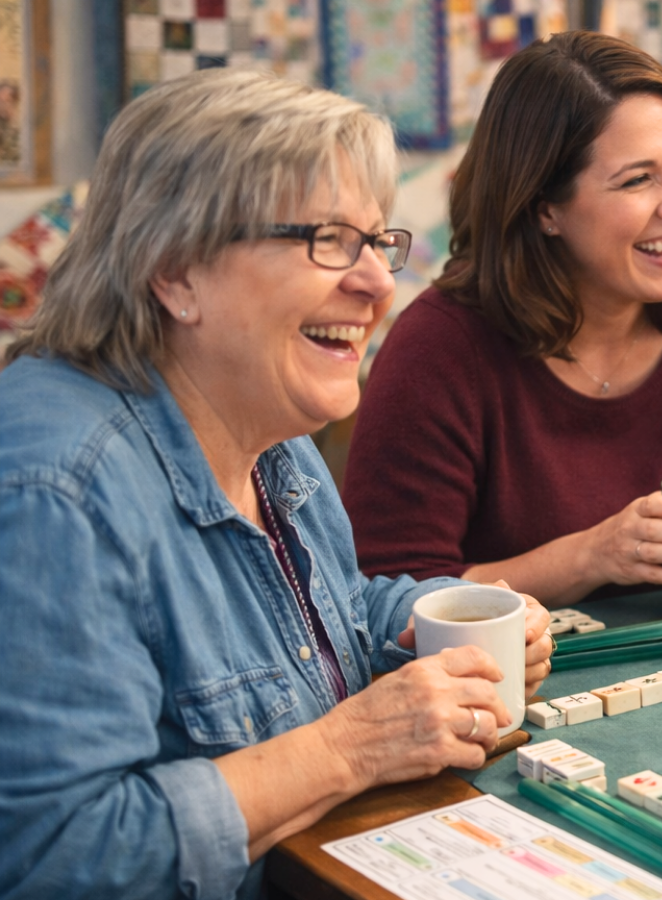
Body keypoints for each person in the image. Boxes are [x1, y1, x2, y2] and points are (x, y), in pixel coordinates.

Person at [0, 70, 554, 899]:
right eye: (327, 240)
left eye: (377, 242)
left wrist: (439, 623)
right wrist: (352, 747)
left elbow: (319, 623)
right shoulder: (55, 493)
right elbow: (54, 858)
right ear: (177, 272)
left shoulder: (265, 423)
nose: (378, 282)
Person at [342, 32, 662, 608]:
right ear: (545, 209)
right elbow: (387, 595)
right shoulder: (437, 348)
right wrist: (592, 556)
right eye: (638, 179)